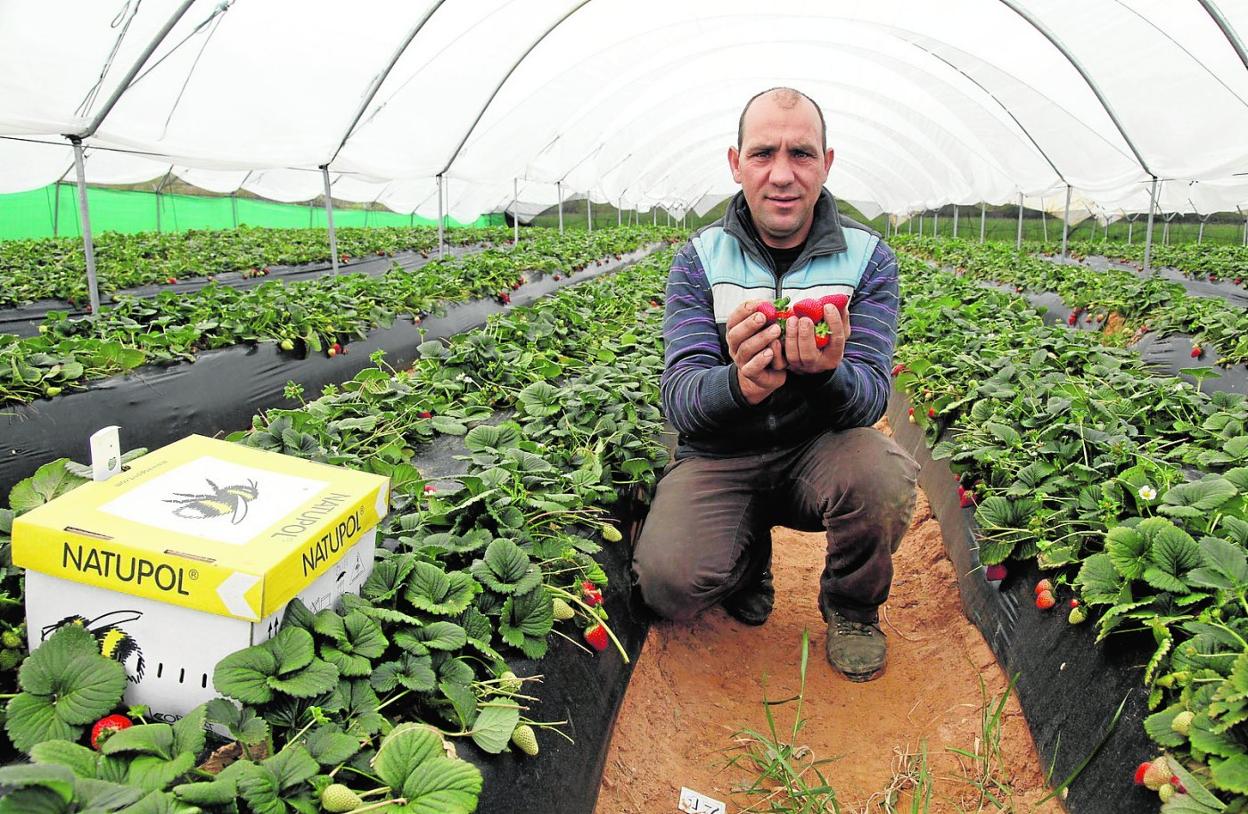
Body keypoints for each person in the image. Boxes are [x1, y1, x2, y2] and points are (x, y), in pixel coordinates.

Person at [631, 87, 919, 682]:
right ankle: (746, 558)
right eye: (763, 154)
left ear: (827, 163)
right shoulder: (699, 260)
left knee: (881, 472)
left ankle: (853, 607)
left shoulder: (869, 260)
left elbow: (868, 397)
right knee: (668, 583)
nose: (782, 175)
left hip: (819, 450)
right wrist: (739, 386)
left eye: (801, 154)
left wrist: (827, 373)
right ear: (735, 163)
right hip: (722, 453)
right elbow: (680, 396)